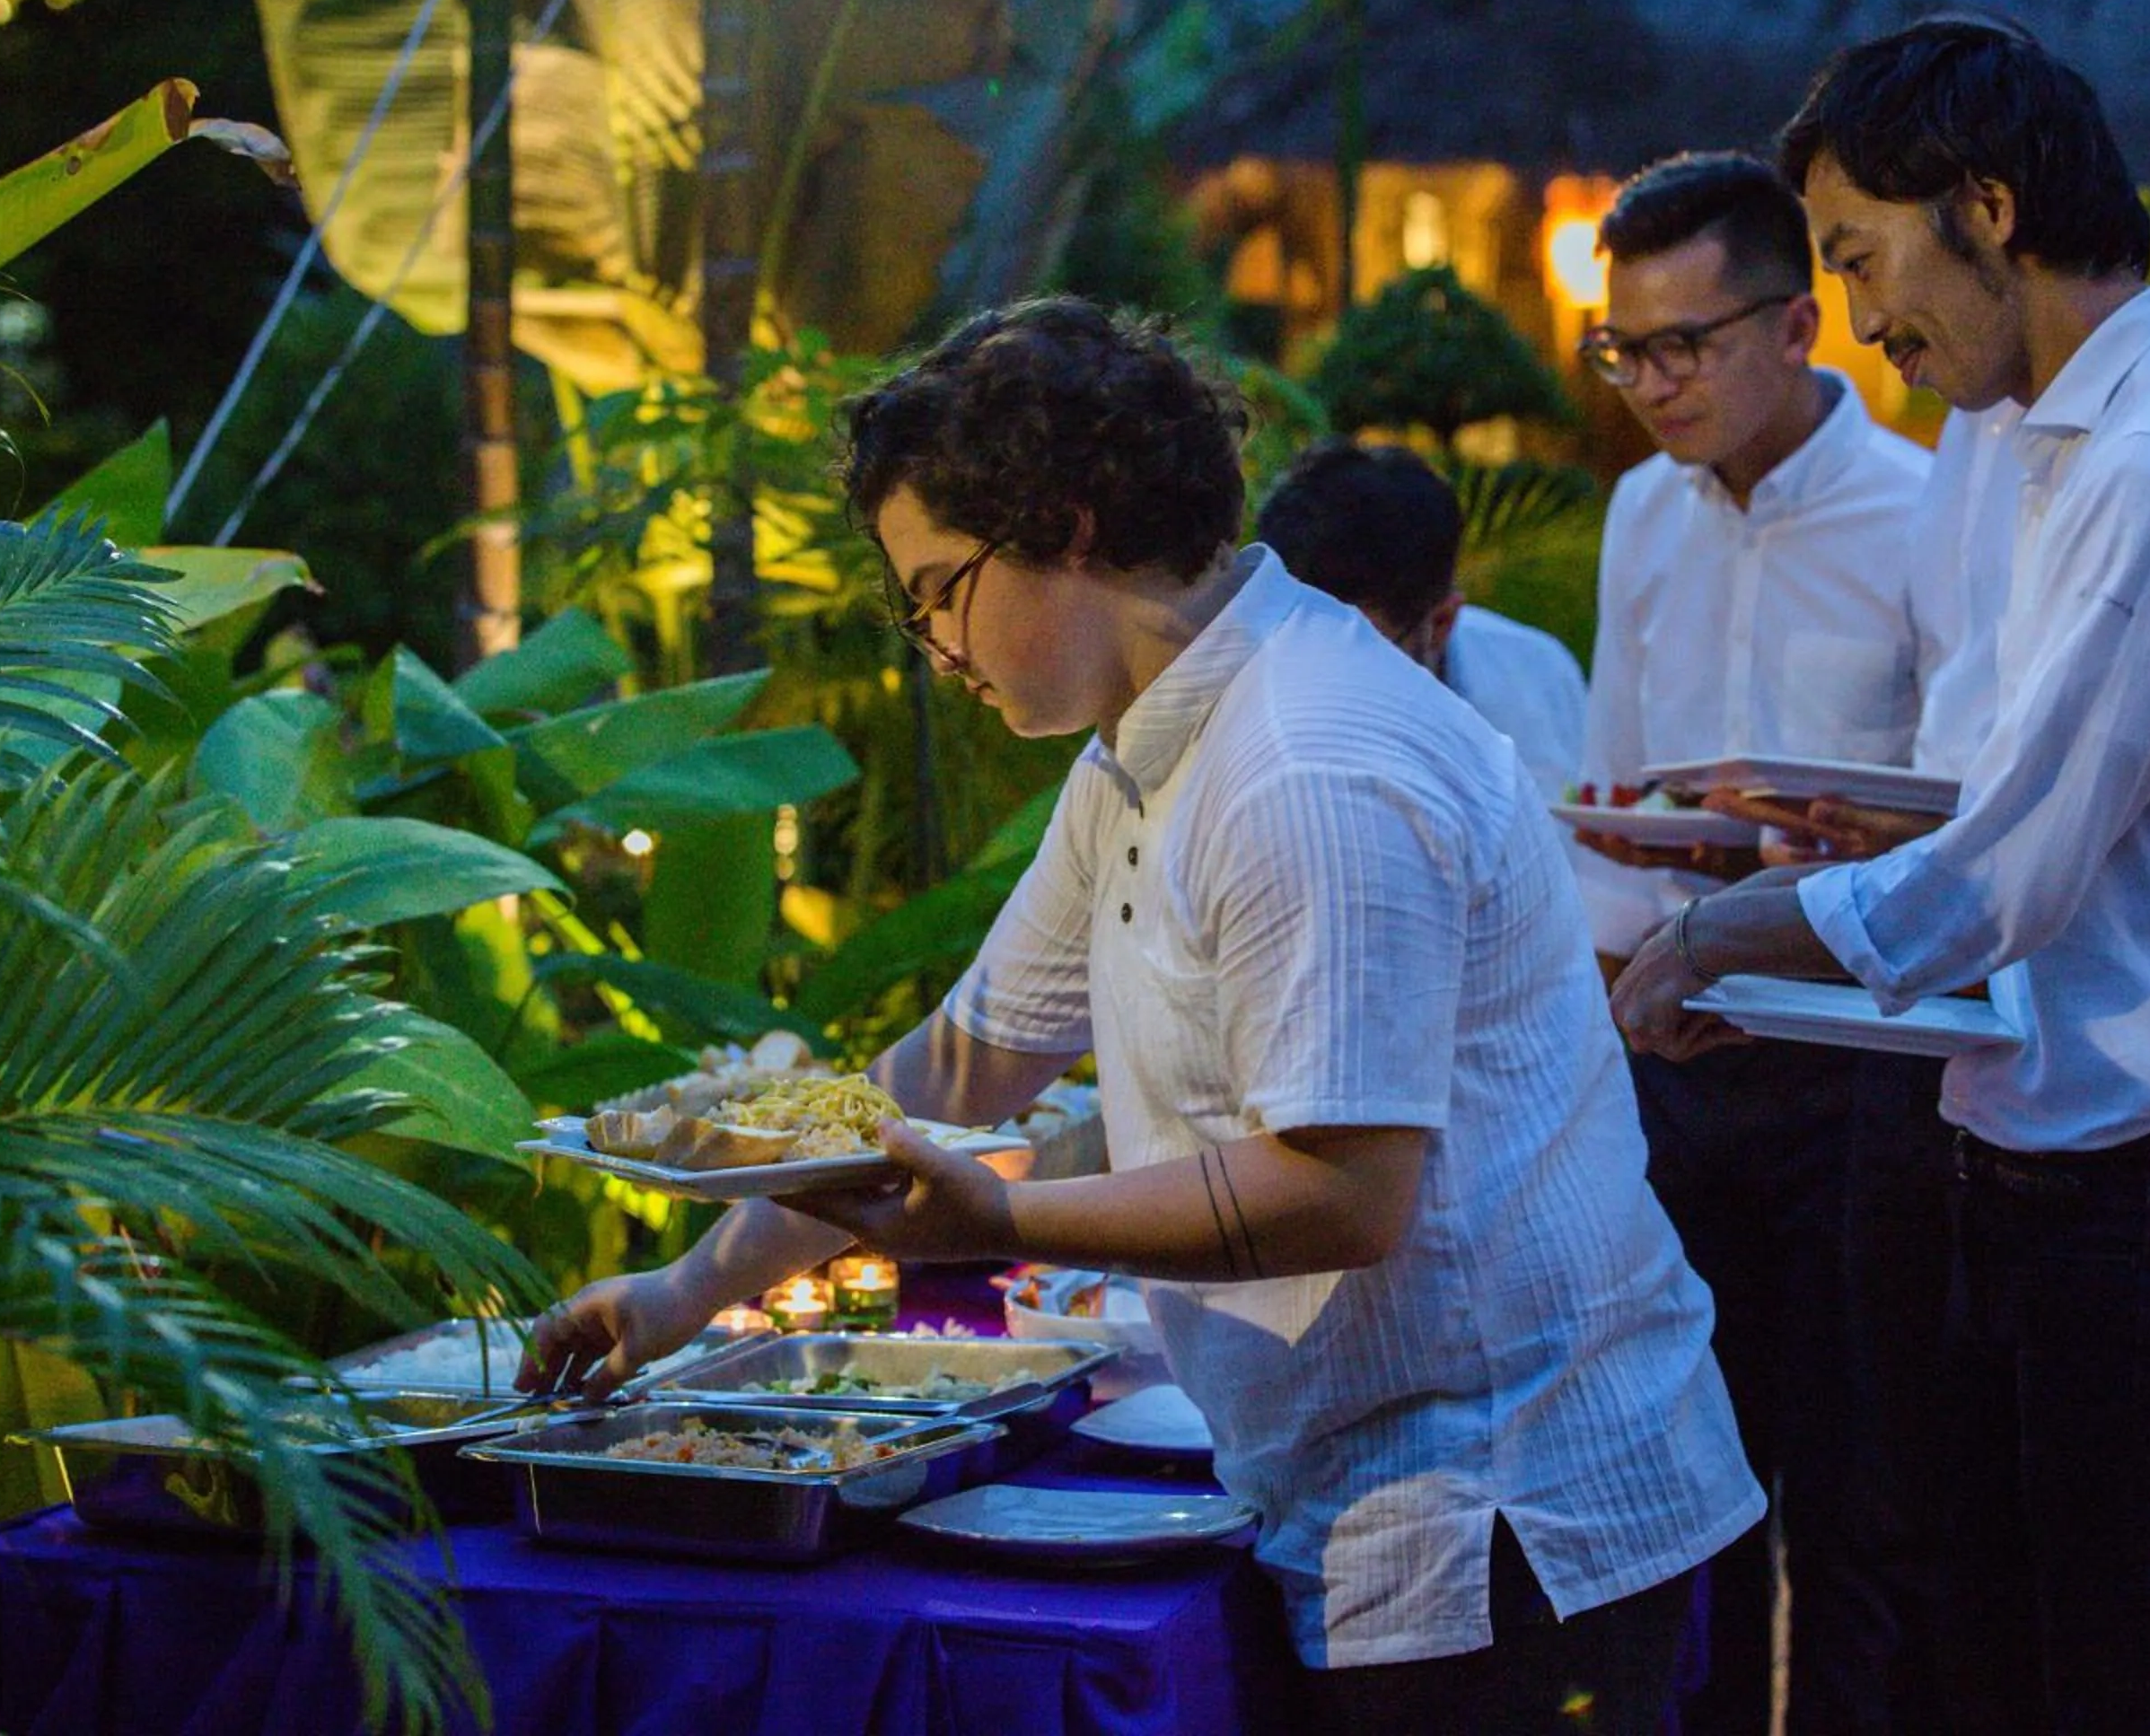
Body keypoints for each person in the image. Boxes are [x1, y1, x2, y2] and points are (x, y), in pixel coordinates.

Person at [522, 297, 1762, 1732]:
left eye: (937, 586)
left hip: (1504, 1506)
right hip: (1369, 1483)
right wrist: (683, 1297)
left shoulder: (1306, 758)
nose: (930, 641)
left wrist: (996, 1222)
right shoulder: (1142, 749)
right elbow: (955, 1067)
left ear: (1071, 521)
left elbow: (1343, 1193)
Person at [1611, 17, 2150, 1734]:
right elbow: (1985, 802)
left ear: (1991, 207)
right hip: (2012, 1150)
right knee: (1964, 1671)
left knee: (2125, 1692)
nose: (1864, 322)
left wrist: (1717, 933)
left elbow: (2003, 871)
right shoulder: (2030, 434)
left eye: (1863, 258)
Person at [1566, 147, 1926, 1736]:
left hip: (1860, 1066)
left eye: (1684, 346)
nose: (1651, 386)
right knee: (1693, 1499)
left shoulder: (1927, 514)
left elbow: (1975, 823)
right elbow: (1614, 780)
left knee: (1864, 1505)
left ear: (1799, 328)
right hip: (1677, 1061)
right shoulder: (1642, 514)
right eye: (1624, 350)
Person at [1256, 436, 1588, 805]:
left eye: (1357, 665)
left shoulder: (1538, 677)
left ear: (1442, 624)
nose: (1321, 690)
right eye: (1298, 650)